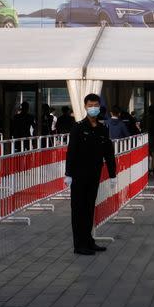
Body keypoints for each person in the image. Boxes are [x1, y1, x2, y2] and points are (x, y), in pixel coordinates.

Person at [64, 93, 117, 255]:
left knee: (89, 209)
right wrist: (69, 174)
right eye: (90, 106)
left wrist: (112, 174)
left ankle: (88, 240)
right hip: (79, 175)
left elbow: (108, 152)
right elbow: (71, 152)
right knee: (78, 209)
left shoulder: (102, 129)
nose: (93, 108)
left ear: (99, 106)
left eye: (96, 105)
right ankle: (79, 245)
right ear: (85, 107)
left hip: (94, 175)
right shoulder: (78, 128)